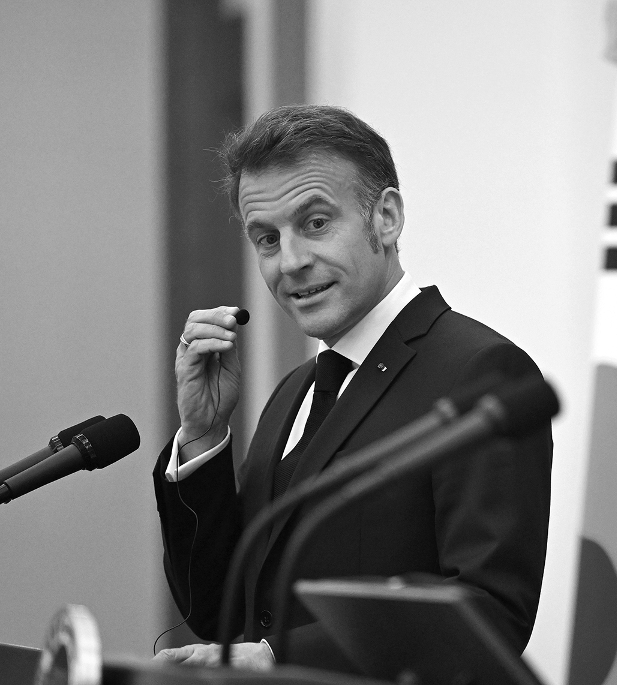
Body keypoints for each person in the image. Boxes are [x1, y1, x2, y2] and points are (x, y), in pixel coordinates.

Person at [151, 105, 553, 673]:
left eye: (315, 223)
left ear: (385, 218)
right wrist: (203, 435)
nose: (290, 262)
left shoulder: (480, 372)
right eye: (267, 239)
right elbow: (221, 614)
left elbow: (489, 614)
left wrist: (276, 659)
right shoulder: (293, 392)